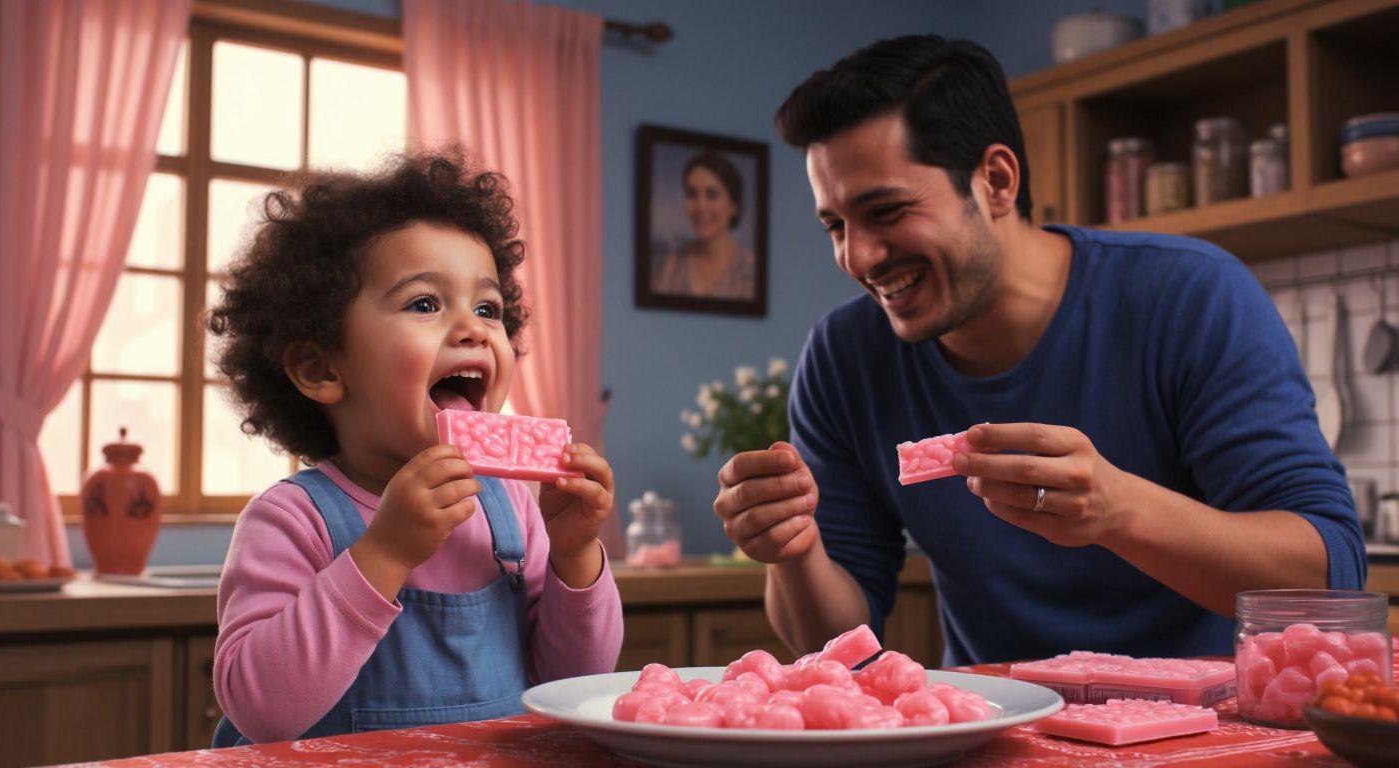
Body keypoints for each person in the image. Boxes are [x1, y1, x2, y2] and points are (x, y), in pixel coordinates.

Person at [712, 35, 1365, 667]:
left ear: (995, 180)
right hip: (995, 732)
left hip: (1207, 731)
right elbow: (837, 645)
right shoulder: (844, 356)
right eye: (835, 224)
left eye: (886, 211)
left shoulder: (1190, 295)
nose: (857, 257)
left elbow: (1329, 578)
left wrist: (1120, 509)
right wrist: (792, 551)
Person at [205, 148, 622, 745]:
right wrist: (386, 552)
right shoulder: (293, 519)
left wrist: (575, 555)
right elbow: (263, 712)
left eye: (488, 308)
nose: (474, 327)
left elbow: (574, 685)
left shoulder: (514, 510)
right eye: (425, 303)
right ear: (320, 368)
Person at [652, 151, 757, 300]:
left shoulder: (751, 268)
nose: (701, 206)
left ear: (734, 205)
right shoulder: (672, 266)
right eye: (692, 194)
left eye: (712, 194)